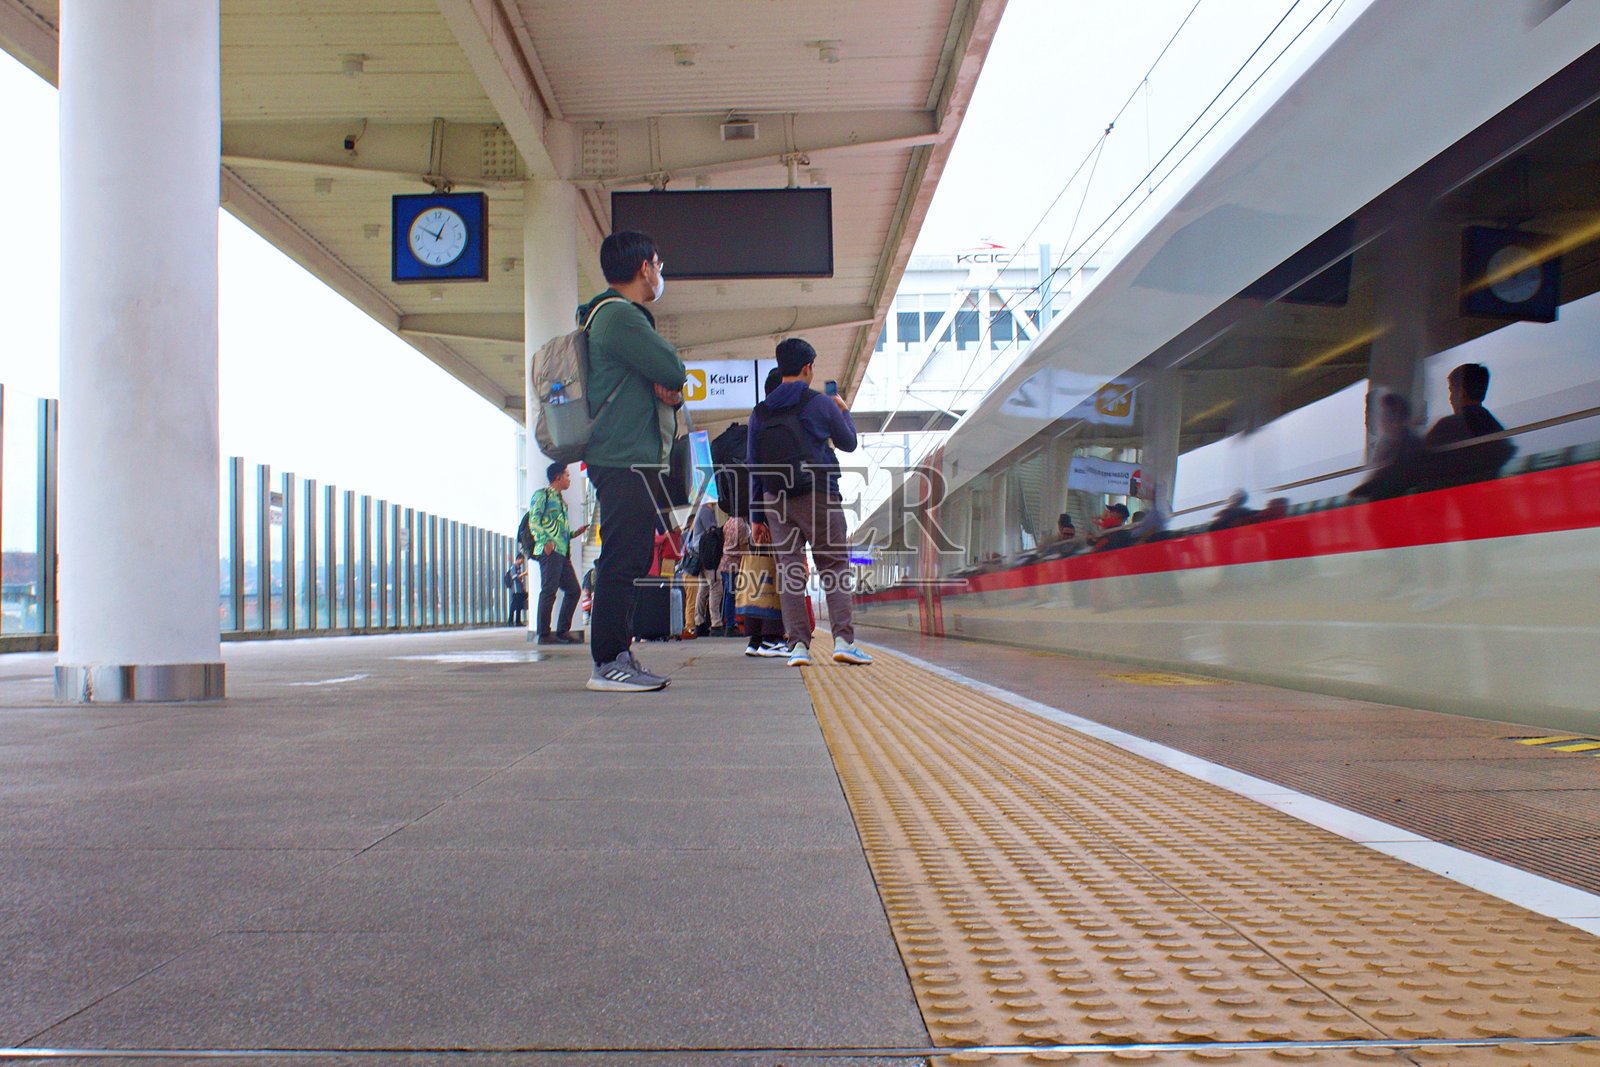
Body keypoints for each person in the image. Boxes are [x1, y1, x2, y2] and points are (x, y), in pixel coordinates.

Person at [578, 231, 688, 692]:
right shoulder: (620, 317)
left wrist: (665, 387)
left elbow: (668, 382)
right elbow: (674, 370)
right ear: (645, 267)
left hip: (624, 457)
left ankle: (618, 655)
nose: (659, 274)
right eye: (658, 264)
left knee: (630, 554)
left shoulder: (606, 318)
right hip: (623, 458)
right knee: (623, 558)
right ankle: (607, 662)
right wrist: (666, 381)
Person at [748, 338, 872, 668]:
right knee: (833, 565)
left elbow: (754, 466)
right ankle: (844, 641)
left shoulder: (759, 413)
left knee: (789, 571)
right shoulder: (819, 402)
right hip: (818, 493)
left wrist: (756, 516)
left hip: (775, 499)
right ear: (807, 368)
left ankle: (798, 646)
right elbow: (847, 443)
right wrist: (843, 411)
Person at [1420, 363, 1515, 489]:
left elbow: (1420, 462)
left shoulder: (1448, 426)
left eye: (1451, 390)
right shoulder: (1494, 426)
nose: (1450, 398)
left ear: (1461, 392)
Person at [526, 462, 587, 644]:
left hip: (561, 551)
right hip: (550, 551)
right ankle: (543, 634)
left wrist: (575, 533)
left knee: (574, 590)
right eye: (567, 475)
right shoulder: (542, 495)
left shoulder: (561, 500)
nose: (569, 479)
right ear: (558, 477)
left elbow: (560, 531)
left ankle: (562, 631)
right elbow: (533, 521)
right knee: (549, 590)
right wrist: (545, 542)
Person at [1350, 393, 1425, 501]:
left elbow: (1387, 478)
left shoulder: (1410, 443)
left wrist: (1357, 494)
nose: (1368, 419)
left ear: (1395, 416)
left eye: (1379, 414)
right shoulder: (1385, 443)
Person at [504, 553, 527, 627]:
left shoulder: (518, 568)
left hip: (519, 589)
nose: (522, 562)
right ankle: (510, 621)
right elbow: (514, 577)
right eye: (522, 560)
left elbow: (520, 579)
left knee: (519, 606)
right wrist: (524, 574)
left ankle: (518, 621)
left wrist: (523, 588)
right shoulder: (513, 567)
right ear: (518, 559)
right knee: (514, 605)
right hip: (515, 590)